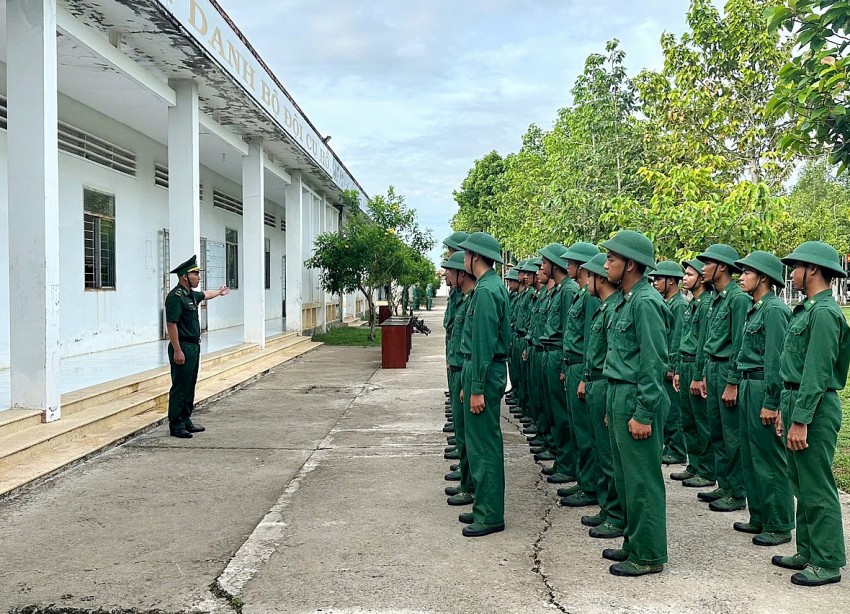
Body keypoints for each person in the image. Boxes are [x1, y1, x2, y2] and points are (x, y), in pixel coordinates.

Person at [772, 241, 849, 587]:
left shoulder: (825, 313)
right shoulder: (806, 310)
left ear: (813, 269)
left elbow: (817, 372)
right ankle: (808, 551)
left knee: (816, 485)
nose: (792, 273)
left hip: (814, 407)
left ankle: (828, 561)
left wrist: (800, 419)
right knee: (799, 481)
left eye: (797, 267)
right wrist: (783, 410)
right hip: (795, 400)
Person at [599, 230, 670, 577]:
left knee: (642, 480)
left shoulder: (646, 302)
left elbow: (654, 363)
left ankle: (649, 554)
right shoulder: (628, 300)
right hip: (619, 393)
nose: (605, 263)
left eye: (611, 258)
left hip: (635, 395)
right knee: (626, 478)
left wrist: (643, 413)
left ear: (630, 264)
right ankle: (634, 541)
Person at [732, 251, 793, 547]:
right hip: (747, 385)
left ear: (764, 277)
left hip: (761, 386)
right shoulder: (754, 308)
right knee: (750, 453)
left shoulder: (773, 310)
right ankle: (759, 515)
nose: (741, 277)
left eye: (746, 273)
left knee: (769, 457)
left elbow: (776, 359)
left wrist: (772, 401)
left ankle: (779, 523)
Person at [457, 231, 511, 537]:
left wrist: (477, 386)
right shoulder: (487, 288)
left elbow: (483, 343)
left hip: (485, 371)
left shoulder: (488, 291)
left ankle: (490, 514)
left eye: (466, 254)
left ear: (475, 256)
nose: (463, 259)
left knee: (485, 445)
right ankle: (484, 508)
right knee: (479, 444)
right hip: (479, 370)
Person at [696, 244, 751, 513]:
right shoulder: (717, 298)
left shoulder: (737, 298)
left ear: (722, 267)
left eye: (708, 263)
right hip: (712, 368)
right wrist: (704, 374)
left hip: (727, 370)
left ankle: (738, 491)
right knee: (716, 430)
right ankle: (724, 483)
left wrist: (732, 382)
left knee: (731, 434)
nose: (703, 268)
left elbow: (739, 342)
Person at [579, 252, 625, 539]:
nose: (585, 282)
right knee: (601, 450)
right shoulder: (604, 307)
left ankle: (617, 514)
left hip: (607, 384)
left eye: (589, 276)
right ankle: (609, 509)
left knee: (610, 457)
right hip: (597, 382)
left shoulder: (616, 308)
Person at [165, 255, 229, 438]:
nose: (199, 277)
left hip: (193, 346)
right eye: (196, 274)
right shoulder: (176, 297)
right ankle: (176, 424)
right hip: (182, 346)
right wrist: (177, 350)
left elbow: (205, 295)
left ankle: (186, 419)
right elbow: (171, 325)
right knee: (180, 386)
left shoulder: (191, 295)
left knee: (190, 385)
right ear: (185, 276)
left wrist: (219, 292)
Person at [559, 242, 601, 507]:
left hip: (583, 367)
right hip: (574, 366)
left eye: (572, 262)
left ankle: (591, 486)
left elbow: (590, 340)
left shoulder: (590, 295)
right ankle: (584, 480)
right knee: (578, 430)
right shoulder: (582, 294)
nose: (568, 267)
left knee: (586, 433)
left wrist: (585, 375)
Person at [672, 259, 716, 488]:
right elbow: (683, 339)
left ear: (701, 277)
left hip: (697, 364)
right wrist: (679, 370)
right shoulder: (692, 304)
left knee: (702, 420)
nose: (684, 279)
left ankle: (708, 470)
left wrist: (699, 374)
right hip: (686, 362)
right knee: (688, 418)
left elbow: (702, 343)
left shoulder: (708, 303)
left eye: (689, 274)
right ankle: (695, 463)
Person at [441, 252, 477, 508]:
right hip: (458, 366)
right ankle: (467, 482)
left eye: (449, 270)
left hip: (466, 369)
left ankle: (472, 487)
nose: (445, 274)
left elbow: (479, 346)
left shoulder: (479, 296)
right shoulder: (463, 298)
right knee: (464, 433)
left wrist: (472, 385)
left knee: (474, 438)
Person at [652, 261, 688, 466]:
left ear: (672, 281)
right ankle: (670, 446)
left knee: (674, 411)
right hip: (664, 363)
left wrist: (672, 366)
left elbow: (677, 337)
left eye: (659, 279)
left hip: (670, 365)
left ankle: (676, 450)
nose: (655, 283)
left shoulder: (680, 304)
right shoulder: (668, 303)